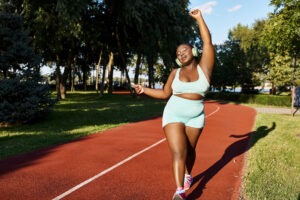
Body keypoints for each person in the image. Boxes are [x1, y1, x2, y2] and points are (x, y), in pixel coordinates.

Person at [132, 8, 215, 200]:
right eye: (178, 53)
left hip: (196, 116)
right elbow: (164, 94)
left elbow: (207, 41)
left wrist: (199, 18)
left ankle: (188, 175)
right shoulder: (174, 73)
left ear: (193, 52)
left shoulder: (205, 68)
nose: (180, 54)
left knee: (190, 152)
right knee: (179, 152)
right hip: (173, 113)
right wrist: (144, 90)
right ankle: (180, 191)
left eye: (184, 50)